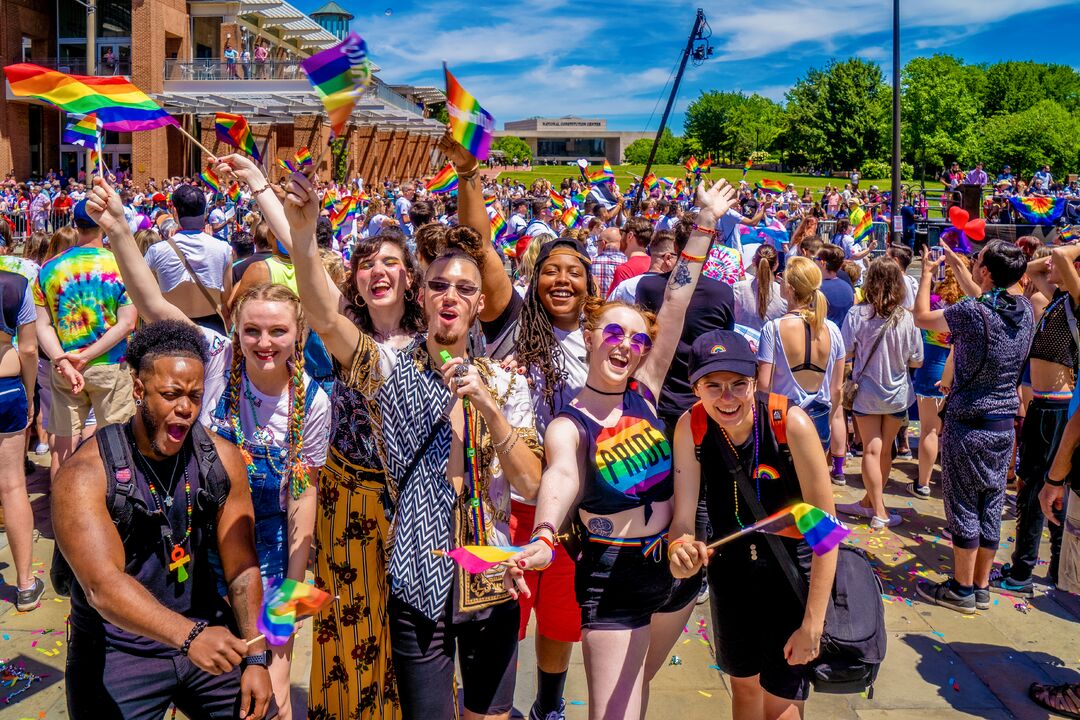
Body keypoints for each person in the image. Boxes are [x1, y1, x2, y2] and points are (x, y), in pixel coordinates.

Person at [287, 167, 542, 720]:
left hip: (490, 575)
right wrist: (304, 234)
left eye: (466, 289)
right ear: (421, 295)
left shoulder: (506, 383)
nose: (451, 296)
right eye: (440, 286)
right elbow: (326, 318)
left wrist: (489, 409)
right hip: (417, 574)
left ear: (479, 305)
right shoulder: (387, 369)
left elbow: (528, 484)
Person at [87, 175, 328, 720]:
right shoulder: (217, 360)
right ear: (234, 330)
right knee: (195, 669)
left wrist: (294, 582)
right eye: (253, 332)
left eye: (278, 332)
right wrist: (122, 230)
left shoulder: (311, 403)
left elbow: (304, 494)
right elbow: (151, 302)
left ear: (300, 333)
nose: (265, 344)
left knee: (273, 686)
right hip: (194, 543)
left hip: (263, 554)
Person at [505, 179, 737, 720]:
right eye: (613, 333)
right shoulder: (570, 422)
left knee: (639, 691)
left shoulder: (645, 391)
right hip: (615, 574)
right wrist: (543, 534)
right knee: (614, 713)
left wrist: (704, 224)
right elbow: (560, 478)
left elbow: (676, 302)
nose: (626, 346)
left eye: (637, 340)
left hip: (677, 563)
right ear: (590, 336)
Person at [53, 319, 274, 720]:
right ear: (139, 390)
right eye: (171, 394)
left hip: (204, 629)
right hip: (117, 650)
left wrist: (257, 658)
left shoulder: (221, 461)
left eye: (194, 395)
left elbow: (242, 568)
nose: (185, 409)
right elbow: (103, 587)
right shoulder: (85, 474)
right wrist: (189, 638)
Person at [668, 330, 839, 720]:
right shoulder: (691, 427)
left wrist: (813, 622)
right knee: (744, 689)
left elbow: (826, 532)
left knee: (780, 701)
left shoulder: (788, 423)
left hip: (789, 574)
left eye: (738, 385)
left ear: (754, 383)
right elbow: (682, 521)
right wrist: (681, 550)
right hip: (732, 579)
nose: (727, 398)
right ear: (696, 388)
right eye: (713, 386)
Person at [915, 241, 1033, 613]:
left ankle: (961, 590)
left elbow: (922, 317)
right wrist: (960, 266)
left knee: (964, 505)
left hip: (968, 422)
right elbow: (984, 299)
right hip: (1002, 425)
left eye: (977, 261)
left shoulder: (970, 312)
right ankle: (981, 586)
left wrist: (928, 275)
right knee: (992, 503)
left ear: (985, 272)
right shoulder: (1026, 310)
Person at [991, 244, 1080, 596]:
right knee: (1040, 487)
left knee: (1034, 488)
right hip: (1046, 404)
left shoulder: (1075, 298)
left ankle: (1022, 570)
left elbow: (1057, 254)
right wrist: (1048, 262)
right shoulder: (1060, 297)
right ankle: (1052, 568)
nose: (1048, 267)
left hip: (1056, 406)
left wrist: (1069, 251)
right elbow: (1030, 267)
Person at [34, 199, 137, 480]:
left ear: (74, 224)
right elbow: (128, 323)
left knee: (62, 448)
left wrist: (65, 361)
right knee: (118, 445)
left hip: (66, 367)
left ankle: (61, 513)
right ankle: (116, 506)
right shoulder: (122, 266)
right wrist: (86, 356)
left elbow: (43, 327)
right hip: (110, 366)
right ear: (103, 224)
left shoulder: (49, 269)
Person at [836, 258, 923, 529]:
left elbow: (846, 351)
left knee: (872, 452)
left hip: (867, 393)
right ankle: (870, 503)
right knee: (885, 451)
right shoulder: (907, 317)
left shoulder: (857, 315)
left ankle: (878, 511)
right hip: (897, 393)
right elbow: (917, 359)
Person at [757, 257, 845, 459]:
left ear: (788, 287)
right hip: (820, 416)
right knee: (815, 485)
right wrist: (829, 420)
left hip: (783, 417)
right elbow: (837, 388)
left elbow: (763, 385)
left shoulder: (773, 328)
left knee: (784, 485)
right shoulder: (832, 329)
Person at [0, 266, 44, 610]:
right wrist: (29, 395)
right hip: (6, 387)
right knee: (12, 485)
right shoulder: (14, 284)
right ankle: (26, 584)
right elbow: (29, 349)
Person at [144, 184, 234, 334]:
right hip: (211, 329)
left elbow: (146, 294)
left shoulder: (157, 250)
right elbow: (226, 296)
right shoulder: (223, 249)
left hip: (171, 329)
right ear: (205, 211)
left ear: (174, 211)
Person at [910, 263, 966, 498]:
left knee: (929, 431)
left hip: (932, 367)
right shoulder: (967, 306)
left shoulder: (932, 301)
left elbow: (917, 318)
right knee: (953, 431)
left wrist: (927, 275)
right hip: (960, 369)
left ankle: (923, 483)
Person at [609, 231, 676, 305]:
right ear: (668, 258)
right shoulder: (676, 289)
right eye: (679, 256)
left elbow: (608, 312)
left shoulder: (625, 287)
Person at [732, 244, 786, 332]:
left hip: (741, 343)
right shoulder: (784, 294)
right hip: (770, 345)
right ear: (776, 265)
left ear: (753, 261)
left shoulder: (737, 289)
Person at [816, 244, 854, 328]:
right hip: (843, 336)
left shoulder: (818, 290)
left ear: (822, 263)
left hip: (825, 336)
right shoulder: (848, 287)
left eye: (816, 259)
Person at [590, 227, 625, 298]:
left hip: (595, 307)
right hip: (618, 307)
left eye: (597, 242)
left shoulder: (589, 264)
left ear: (603, 243)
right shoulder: (628, 263)